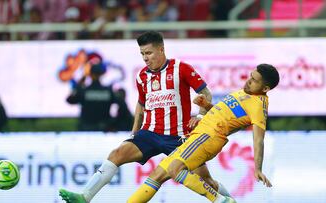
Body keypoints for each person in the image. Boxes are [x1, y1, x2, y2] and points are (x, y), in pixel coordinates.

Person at [59, 31, 230, 203]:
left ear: (161, 50)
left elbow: (205, 92)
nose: (145, 58)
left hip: (179, 136)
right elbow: (141, 105)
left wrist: (200, 116)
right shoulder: (141, 76)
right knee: (117, 154)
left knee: (205, 180)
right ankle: (85, 196)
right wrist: (134, 133)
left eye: (148, 53)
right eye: (142, 54)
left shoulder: (181, 68)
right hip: (150, 133)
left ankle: (228, 199)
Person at [127, 64, 280, 203]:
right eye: (250, 76)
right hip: (198, 135)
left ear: (265, 88)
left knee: (175, 169)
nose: (248, 81)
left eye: (254, 80)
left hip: (208, 137)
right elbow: (225, 114)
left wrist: (258, 168)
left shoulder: (259, 106)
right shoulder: (248, 93)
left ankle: (220, 200)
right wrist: (206, 105)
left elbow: (258, 139)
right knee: (158, 175)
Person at [66, 62, 117, 131]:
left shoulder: (83, 91)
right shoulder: (108, 91)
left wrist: (79, 84)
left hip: (86, 129)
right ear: (101, 74)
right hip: (104, 129)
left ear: (90, 75)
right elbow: (120, 103)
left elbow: (69, 100)